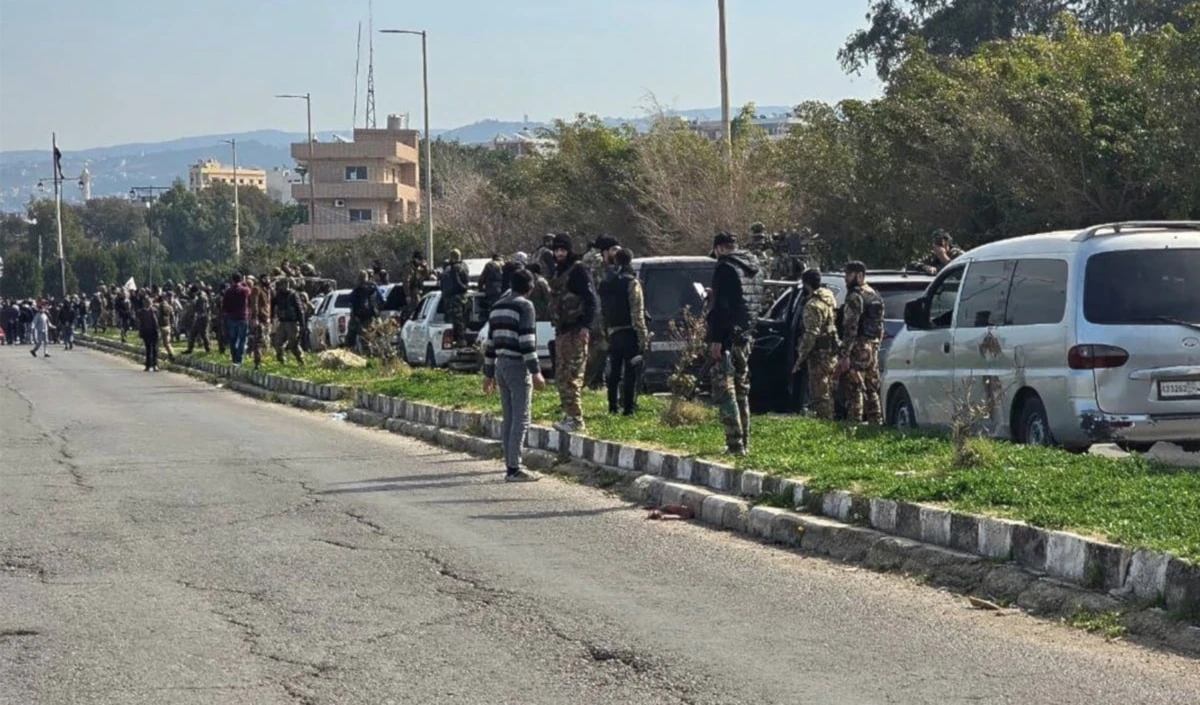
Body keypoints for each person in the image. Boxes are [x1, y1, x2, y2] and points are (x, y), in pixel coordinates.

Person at [483, 269, 547, 483]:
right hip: (517, 366)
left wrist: (488, 373)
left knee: (508, 418)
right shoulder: (525, 306)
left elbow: (490, 342)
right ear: (530, 286)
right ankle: (514, 468)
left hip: (500, 364)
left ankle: (510, 463)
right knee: (521, 418)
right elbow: (527, 341)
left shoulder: (497, 306)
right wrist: (536, 371)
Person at [707, 232, 765, 456]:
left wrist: (716, 340)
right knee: (742, 390)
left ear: (720, 248)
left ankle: (734, 443)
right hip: (747, 335)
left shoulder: (725, 267)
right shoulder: (755, 265)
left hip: (728, 338)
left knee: (724, 389)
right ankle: (745, 443)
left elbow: (722, 308)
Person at [548, 233, 598, 433]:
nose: (559, 253)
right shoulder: (559, 272)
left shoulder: (578, 271)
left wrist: (586, 326)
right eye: (557, 250)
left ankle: (576, 419)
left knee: (572, 376)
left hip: (576, 330)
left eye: (563, 250)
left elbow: (591, 300)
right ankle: (569, 415)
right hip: (562, 331)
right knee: (561, 376)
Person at [599, 247, 648, 416]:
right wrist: (643, 336)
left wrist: (605, 331)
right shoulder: (631, 282)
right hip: (629, 331)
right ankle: (628, 408)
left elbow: (602, 310)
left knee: (614, 372)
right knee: (630, 371)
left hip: (612, 331)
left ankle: (612, 407)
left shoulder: (606, 281)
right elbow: (637, 311)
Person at [840, 261, 885, 424]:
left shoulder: (854, 296)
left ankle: (854, 422)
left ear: (860, 275)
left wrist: (845, 354)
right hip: (873, 346)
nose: (846, 278)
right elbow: (880, 324)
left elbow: (850, 327)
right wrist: (877, 345)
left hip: (859, 345)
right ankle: (876, 421)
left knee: (854, 386)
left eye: (849, 274)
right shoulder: (875, 295)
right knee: (872, 387)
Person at [792, 268, 840, 420]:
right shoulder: (829, 297)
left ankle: (825, 421)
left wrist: (801, 357)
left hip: (819, 353)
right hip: (831, 350)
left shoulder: (812, 305)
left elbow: (811, 333)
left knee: (820, 391)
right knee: (829, 387)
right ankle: (831, 416)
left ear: (806, 285)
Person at [583, 235, 621, 389]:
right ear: (605, 251)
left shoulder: (614, 267)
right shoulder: (598, 266)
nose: (616, 253)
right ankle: (594, 381)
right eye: (613, 250)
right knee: (600, 349)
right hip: (598, 315)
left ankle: (598, 380)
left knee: (604, 349)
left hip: (608, 314)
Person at [439, 249, 471, 347]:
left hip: (452, 299)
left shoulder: (450, 269)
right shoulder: (464, 267)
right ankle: (461, 340)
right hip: (464, 297)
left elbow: (443, 285)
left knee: (454, 322)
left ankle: (459, 342)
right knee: (462, 320)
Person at [271, 278, 305, 366]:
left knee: (293, 343)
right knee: (278, 343)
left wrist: (302, 324)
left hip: (292, 323)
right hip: (282, 322)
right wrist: (272, 317)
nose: (285, 286)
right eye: (283, 284)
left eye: (287, 284)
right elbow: (272, 305)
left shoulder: (293, 295)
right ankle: (281, 360)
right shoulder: (278, 295)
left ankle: (300, 360)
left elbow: (299, 309)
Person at [346, 270, 381, 352]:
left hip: (358, 317)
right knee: (375, 335)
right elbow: (382, 298)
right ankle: (374, 354)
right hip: (371, 316)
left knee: (351, 337)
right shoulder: (373, 286)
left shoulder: (357, 288)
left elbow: (350, 300)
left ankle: (348, 352)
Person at [222, 273, 252, 365]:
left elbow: (224, 305)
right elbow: (250, 298)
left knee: (233, 339)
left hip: (232, 317)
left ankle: (234, 356)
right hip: (243, 316)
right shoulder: (245, 290)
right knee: (242, 339)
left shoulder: (228, 291)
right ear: (241, 279)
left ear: (232, 280)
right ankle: (239, 358)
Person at [248, 275, 272, 369]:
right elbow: (254, 304)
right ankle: (258, 362)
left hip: (266, 318)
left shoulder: (267, 290)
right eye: (266, 279)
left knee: (266, 340)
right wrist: (255, 317)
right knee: (259, 340)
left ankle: (263, 359)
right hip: (260, 318)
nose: (268, 280)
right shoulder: (257, 289)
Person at [184, 285, 212, 354]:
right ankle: (190, 349)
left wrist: (196, 314)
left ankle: (208, 348)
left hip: (203, 318)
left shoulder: (201, 298)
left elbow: (202, 309)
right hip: (199, 318)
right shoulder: (201, 296)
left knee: (203, 334)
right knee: (193, 333)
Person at [135, 298, 159, 371]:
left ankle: (155, 365)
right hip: (146, 332)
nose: (149, 304)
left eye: (150, 302)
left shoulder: (155, 311)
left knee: (155, 349)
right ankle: (148, 365)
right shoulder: (140, 312)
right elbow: (139, 323)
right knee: (148, 349)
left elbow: (158, 321)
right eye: (147, 302)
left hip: (154, 332)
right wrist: (140, 332)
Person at [404, 251, 430, 319]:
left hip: (420, 289)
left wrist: (425, 266)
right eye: (420, 259)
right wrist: (408, 295)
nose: (421, 261)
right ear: (415, 259)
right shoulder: (409, 268)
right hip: (413, 291)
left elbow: (426, 275)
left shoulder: (419, 267)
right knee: (416, 306)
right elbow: (406, 281)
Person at [155, 293, 176, 364]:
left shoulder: (159, 306)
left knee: (156, 343)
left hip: (160, 326)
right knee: (167, 343)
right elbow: (172, 315)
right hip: (167, 326)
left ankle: (154, 358)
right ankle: (172, 355)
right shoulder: (169, 307)